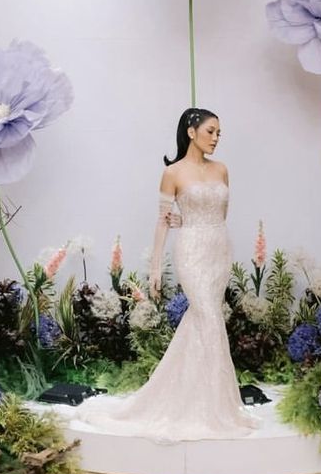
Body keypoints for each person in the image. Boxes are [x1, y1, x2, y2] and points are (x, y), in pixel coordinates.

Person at [75, 107, 259, 442]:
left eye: (219, 133)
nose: (216, 138)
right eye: (211, 131)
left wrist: (195, 223)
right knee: (208, 318)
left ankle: (206, 402)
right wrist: (156, 267)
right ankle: (211, 410)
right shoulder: (172, 173)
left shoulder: (222, 170)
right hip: (190, 251)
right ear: (192, 131)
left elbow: (221, 214)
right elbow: (163, 221)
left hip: (219, 249)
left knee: (207, 320)